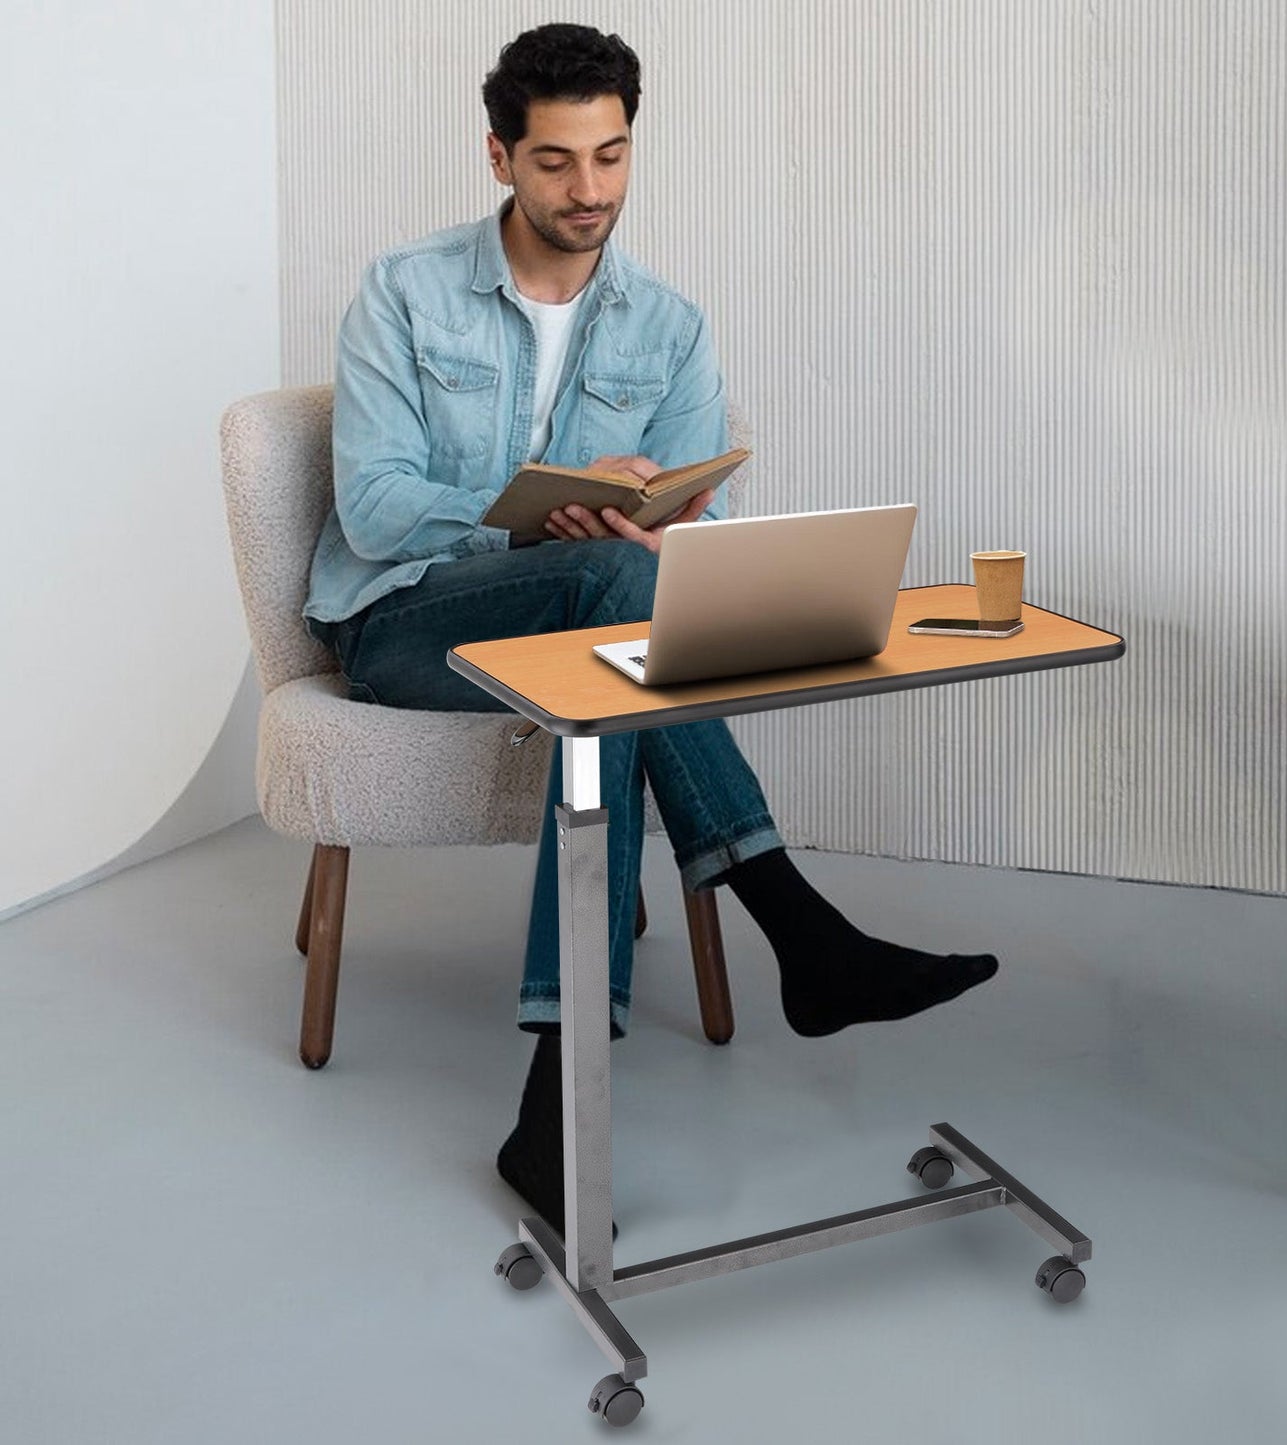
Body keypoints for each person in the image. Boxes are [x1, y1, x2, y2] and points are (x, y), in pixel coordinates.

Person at [303, 22, 998, 1238]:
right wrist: (534, 515)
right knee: (602, 597)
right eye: (559, 162)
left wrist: (654, 532)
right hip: (408, 622)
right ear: (499, 157)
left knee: (617, 618)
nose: (590, 192)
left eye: (613, 157)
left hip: (588, 635)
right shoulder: (403, 291)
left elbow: (689, 533)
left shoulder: (668, 325)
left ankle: (555, 1104)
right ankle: (797, 923)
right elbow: (370, 505)